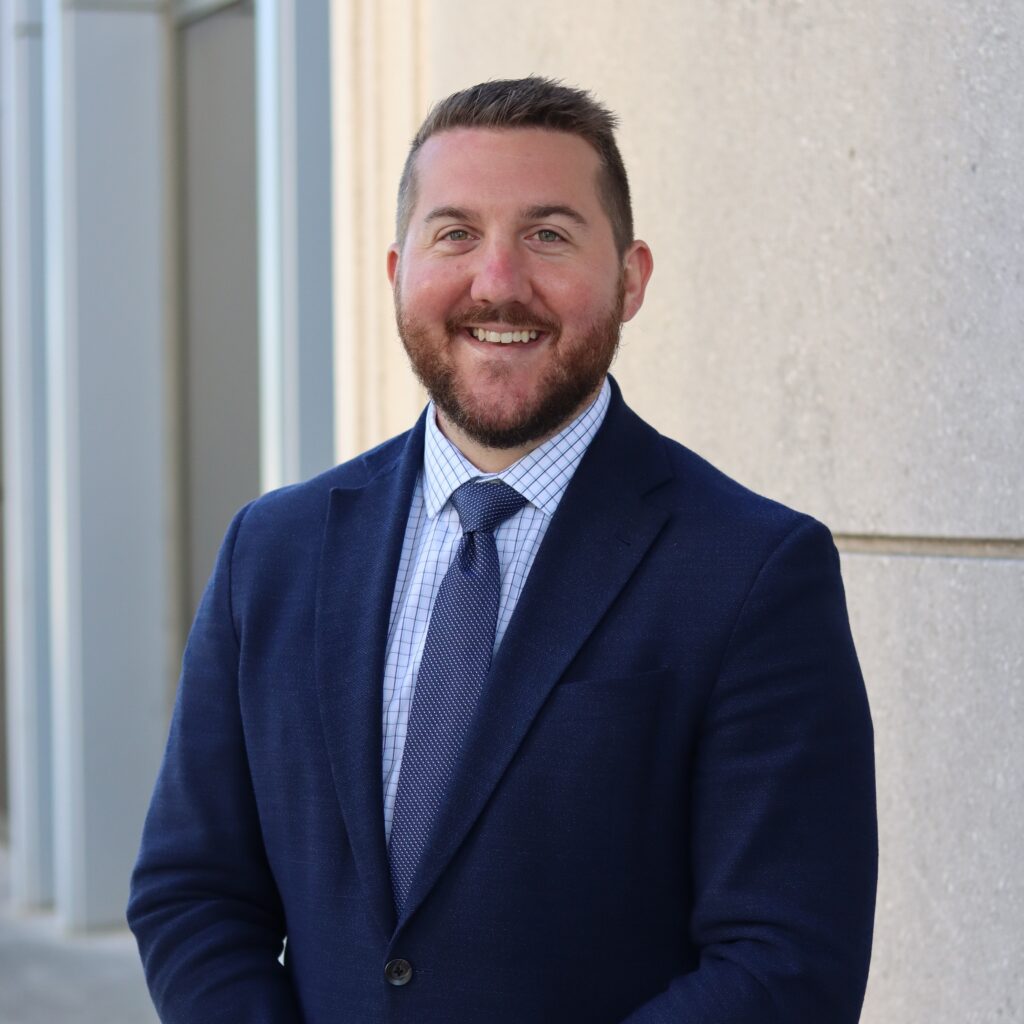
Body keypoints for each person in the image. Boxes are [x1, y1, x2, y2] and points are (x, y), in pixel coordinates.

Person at [128, 76, 877, 1023]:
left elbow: (787, 962)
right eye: (455, 235)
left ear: (632, 278)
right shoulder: (272, 553)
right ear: (397, 270)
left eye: (549, 235)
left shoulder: (753, 572)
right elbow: (192, 894)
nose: (496, 282)